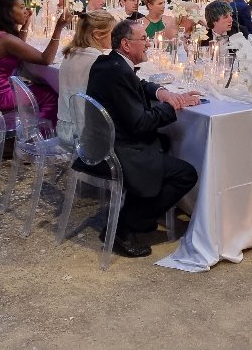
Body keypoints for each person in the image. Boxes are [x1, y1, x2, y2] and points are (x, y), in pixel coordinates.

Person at [84, 20, 200, 257]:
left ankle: (144, 203)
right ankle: (124, 227)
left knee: (166, 143)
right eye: (144, 39)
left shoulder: (109, 63)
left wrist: (161, 92)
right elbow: (140, 123)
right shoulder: (117, 72)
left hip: (101, 142)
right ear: (126, 44)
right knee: (186, 174)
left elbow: (138, 84)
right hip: (117, 150)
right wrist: (174, 106)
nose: (149, 43)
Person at [0, 0, 66, 126]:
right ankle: (36, 138)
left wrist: (25, 26)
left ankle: (29, 129)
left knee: (38, 86)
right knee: (51, 94)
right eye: (22, 7)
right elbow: (46, 59)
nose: (26, 11)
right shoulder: (6, 39)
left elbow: (18, 48)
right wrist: (58, 28)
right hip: (0, 97)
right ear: (8, 11)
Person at [56, 10, 115, 148]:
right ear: (97, 35)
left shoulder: (69, 54)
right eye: (113, 33)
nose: (115, 38)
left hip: (65, 128)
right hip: (85, 135)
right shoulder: (98, 61)